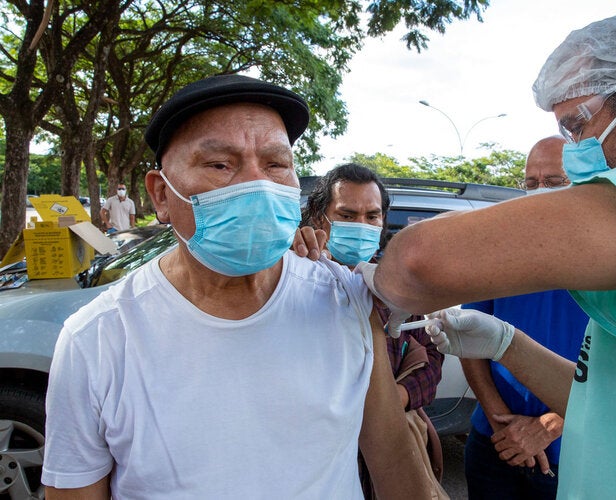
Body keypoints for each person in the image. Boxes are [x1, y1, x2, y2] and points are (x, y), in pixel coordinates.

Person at [359, 9, 616, 498]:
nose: (575, 148)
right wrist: (504, 343)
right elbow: (610, 401)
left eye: (578, 125)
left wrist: (378, 280)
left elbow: (420, 260)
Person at [42, 74, 432, 499]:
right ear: (160, 195)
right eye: (220, 165)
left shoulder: (345, 300)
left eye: (276, 165)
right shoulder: (97, 339)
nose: (256, 184)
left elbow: (392, 458)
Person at [301, 163, 447, 498]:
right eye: (347, 215)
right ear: (319, 217)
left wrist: (395, 398)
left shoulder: (395, 288)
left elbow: (433, 360)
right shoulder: (295, 279)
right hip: (319, 463)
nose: (361, 226)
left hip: (383, 463)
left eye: (372, 216)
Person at [461, 136, 588, 499]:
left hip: (572, 451)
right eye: (531, 184)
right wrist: (502, 423)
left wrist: (548, 427)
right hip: (493, 442)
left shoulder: (611, 259)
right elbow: (471, 341)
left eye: (554, 181)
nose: (540, 191)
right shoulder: (499, 251)